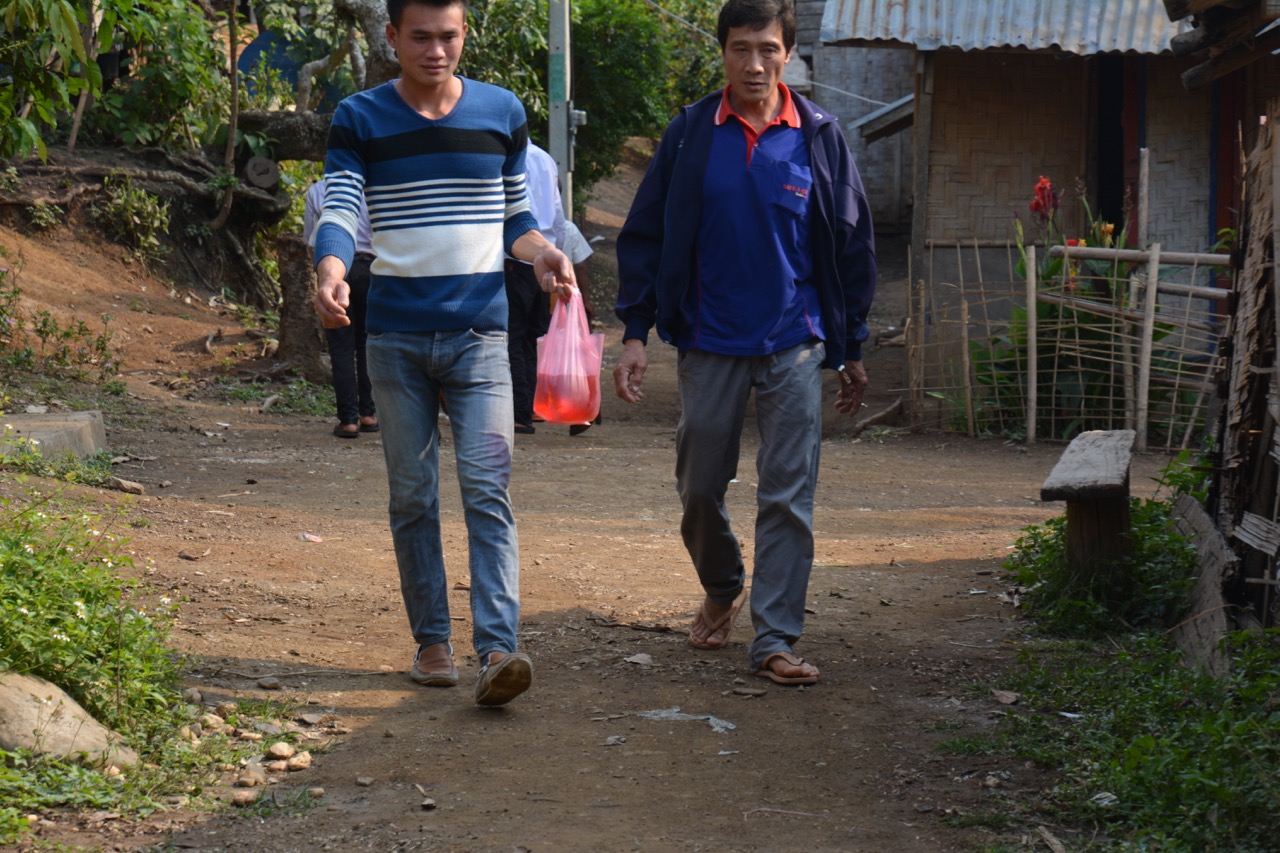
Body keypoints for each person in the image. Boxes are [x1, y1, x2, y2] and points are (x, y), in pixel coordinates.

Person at [312, 0, 575, 707]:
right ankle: (432, 640)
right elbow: (339, 208)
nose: (436, 50)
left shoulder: (501, 113)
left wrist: (546, 254)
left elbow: (517, 216)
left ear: (465, 36)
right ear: (393, 36)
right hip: (394, 341)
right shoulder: (359, 118)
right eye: (420, 37)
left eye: (449, 36)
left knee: (488, 490)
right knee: (412, 495)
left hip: (481, 340)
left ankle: (497, 648)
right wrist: (332, 270)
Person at [612, 0, 876, 687]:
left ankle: (776, 637)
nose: (753, 64)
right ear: (723, 53)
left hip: (796, 341)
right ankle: (723, 580)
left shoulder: (819, 137)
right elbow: (644, 235)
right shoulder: (693, 134)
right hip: (709, 337)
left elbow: (851, 248)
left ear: (788, 54)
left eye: (767, 49)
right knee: (699, 485)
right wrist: (635, 331)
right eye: (739, 49)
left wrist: (850, 346)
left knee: (788, 493)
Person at [303, 178, 378, 439]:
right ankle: (369, 414)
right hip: (371, 268)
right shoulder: (369, 185)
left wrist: (323, 275)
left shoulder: (316, 190)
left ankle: (348, 420)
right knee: (367, 343)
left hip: (335, 271)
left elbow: (312, 239)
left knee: (341, 345)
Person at [505, 143, 564, 435]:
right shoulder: (546, 160)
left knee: (513, 338)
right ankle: (532, 408)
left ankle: (519, 413)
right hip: (546, 257)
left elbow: (512, 210)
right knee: (535, 337)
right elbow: (557, 214)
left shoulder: (507, 157)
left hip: (516, 257)